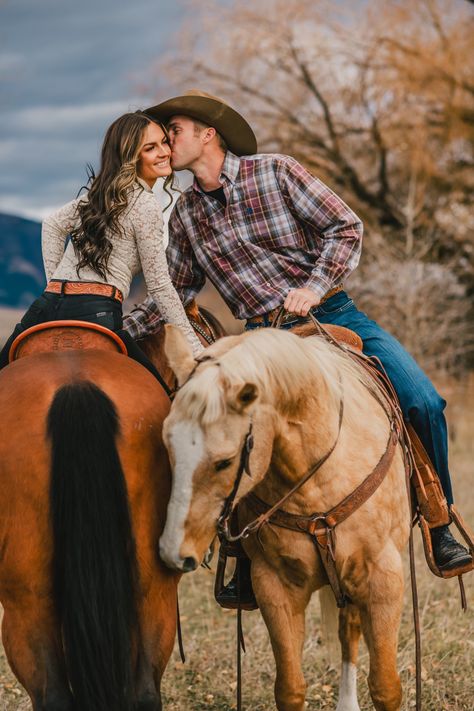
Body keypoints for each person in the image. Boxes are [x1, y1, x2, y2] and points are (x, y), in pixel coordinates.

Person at [123, 90, 471, 601]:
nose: (165, 142)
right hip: (262, 337)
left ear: (207, 134)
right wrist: (115, 329)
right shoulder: (186, 216)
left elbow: (345, 227)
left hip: (330, 311)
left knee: (422, 399)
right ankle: (244, 556)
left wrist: (312, 284)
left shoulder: (276, 172)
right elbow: (172, 292)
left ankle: (440, 524)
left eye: (173, 130)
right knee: (230, 433)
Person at [0, 111, 203, 382]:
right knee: (157, 396)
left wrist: (54, 285)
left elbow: (52, 224)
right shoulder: (145, 205)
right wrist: (195, 346)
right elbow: (159, 285)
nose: (164, 152)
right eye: (150, 148)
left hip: (45, 308)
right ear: (130, 156)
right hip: (97, 312)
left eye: (164, 142)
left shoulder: (96, 196)